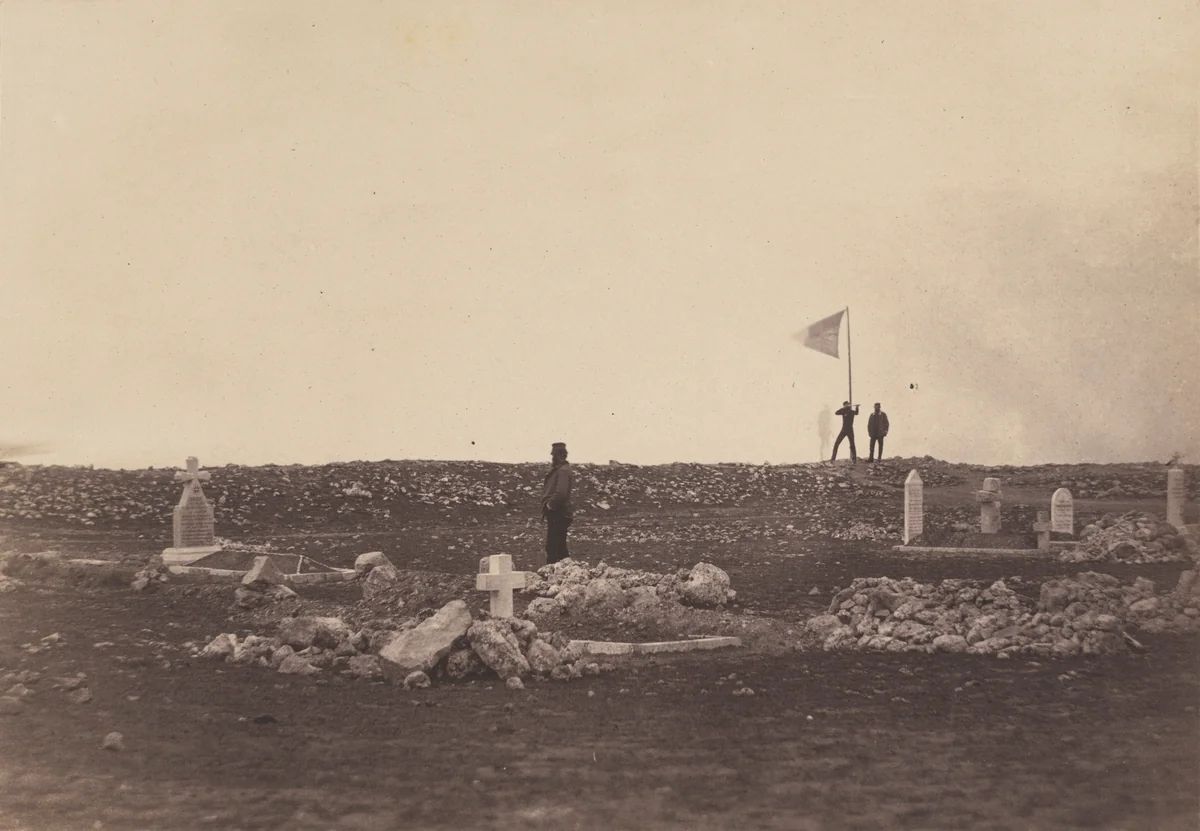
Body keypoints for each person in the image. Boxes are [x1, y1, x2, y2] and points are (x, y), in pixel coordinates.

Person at [541, 442, 574, 565]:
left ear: (560, 455)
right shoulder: (561, 470)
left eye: (553, 454)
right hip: (558, 512)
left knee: (553, 546)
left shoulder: (563, 471)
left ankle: (553, 576)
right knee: (559, 546)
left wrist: (550, 505)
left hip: (558, 512)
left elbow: (561, 493)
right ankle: (565, 573)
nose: (551, 456)